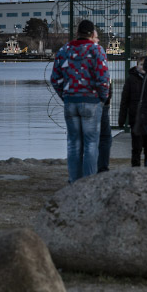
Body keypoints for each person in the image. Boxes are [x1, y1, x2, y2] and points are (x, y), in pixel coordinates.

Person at [50, 19, 110, 182]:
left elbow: (55, 79)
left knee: (73, 143)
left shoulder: (64, 50)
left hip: (71, 102)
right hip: (91, 101)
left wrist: (66, 96)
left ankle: (74, 181)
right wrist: (102, 98)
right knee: (91, 143)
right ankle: (89, 182)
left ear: (77, 33)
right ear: (92, 34)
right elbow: (103, 78)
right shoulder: (97, 50)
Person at [118, 56, 147, 166]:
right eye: (141, 64)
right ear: (137, 65)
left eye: (145, 64)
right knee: (136, 147)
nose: (143, 67)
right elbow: (124, 100)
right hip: (135, 119)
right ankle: (135, 169)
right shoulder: (131, 79)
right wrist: (122, 119)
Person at [97, 82, 113, 173]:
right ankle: (102, 168)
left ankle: (77, 175)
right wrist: (105, 100)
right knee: (105, 138)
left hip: (73, 101)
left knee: (77, 140)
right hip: (100, 104)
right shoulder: (100, 67)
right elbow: (105, 82)